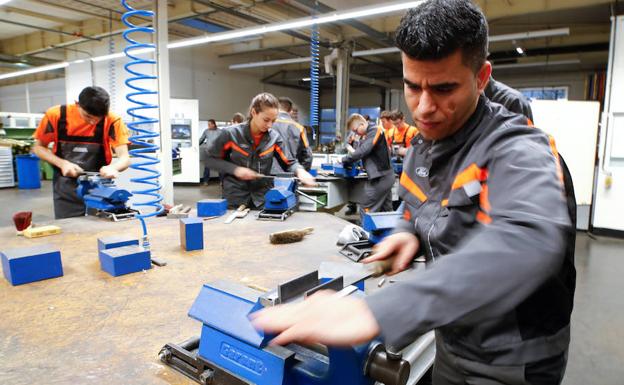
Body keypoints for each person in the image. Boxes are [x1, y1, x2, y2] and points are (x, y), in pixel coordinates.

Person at [252, 1, 575, 384]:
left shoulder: (519, 148)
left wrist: (377, 313)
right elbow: (415, 202)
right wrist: (407, 233)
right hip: (452, 342)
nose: (423, 107)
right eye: (412, 85)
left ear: (482, 76)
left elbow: (525, 241)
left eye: (443, 88)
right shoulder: (425, 144)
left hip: (512, 362)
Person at [32, 86, 130, 219]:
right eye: (88, 116)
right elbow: (38, 147)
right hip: (66, 185)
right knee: (70, 230)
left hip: (99, 187)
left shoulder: (112, 120)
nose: (93, 122)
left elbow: (125, 158)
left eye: (98, 119)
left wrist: (113, 168)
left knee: (101, 229)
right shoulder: (56, 115)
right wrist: (62, 164)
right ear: (77, 104)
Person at [205, 93, 315, 208]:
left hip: (262, 198)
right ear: (254, 112)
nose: (270, 125)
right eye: (266, 120)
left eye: (273, 121)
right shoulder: (230, 134)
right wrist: (235, 169)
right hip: (235, 197)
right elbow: (210, 159)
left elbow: (289, 162)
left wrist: (300, 171)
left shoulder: (274, 138)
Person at [342, 113, 394, 215]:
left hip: (381, 177)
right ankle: (388, 231)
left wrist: (345, 160)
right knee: (386, 210)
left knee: (366, 208)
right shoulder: (368, 134)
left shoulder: (375, 130)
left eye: (356, 130)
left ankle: (365, 231)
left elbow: (363, 150)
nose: (356, 133)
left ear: (362, 124)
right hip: (384, 176)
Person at [271, 97, 313, 172]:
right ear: (290, 111)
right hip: (292, 173)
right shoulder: (299, 128)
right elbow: (307, 155)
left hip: (270, 174)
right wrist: (301, 172)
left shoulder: (268, 125)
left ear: (275, 108)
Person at [199, 119, 219, 184]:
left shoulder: (219, 131)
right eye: (208, 124)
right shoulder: (206, 131)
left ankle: (222, 181)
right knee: (207, 167)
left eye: (209, 124)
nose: (208, 126)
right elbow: (201, 139)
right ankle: (205, 181)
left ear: (213, 124)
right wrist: (195, 145)